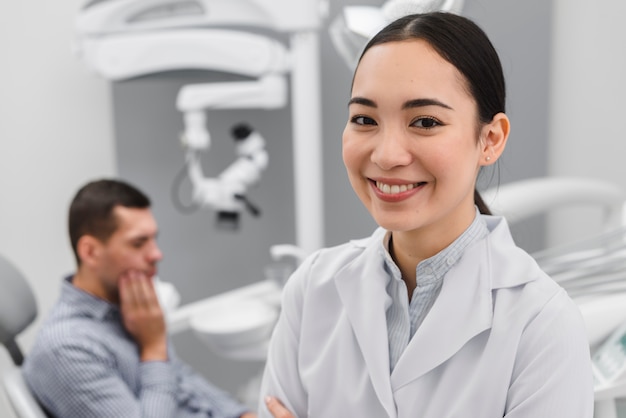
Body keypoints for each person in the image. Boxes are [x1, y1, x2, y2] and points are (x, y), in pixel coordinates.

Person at [258, 12, 594, 418]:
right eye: (364, 119)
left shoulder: (542, 326)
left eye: (425, 122)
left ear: (490, 139)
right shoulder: (312, 289)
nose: (386, 155)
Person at [23, 179, 256, 418]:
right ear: (90, 252)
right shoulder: (65, 348)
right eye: (138, 243)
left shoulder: (129, 309)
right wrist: (154, 347)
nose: (157, 254)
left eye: (154, 239)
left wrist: (241, 414)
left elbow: (182, 382)